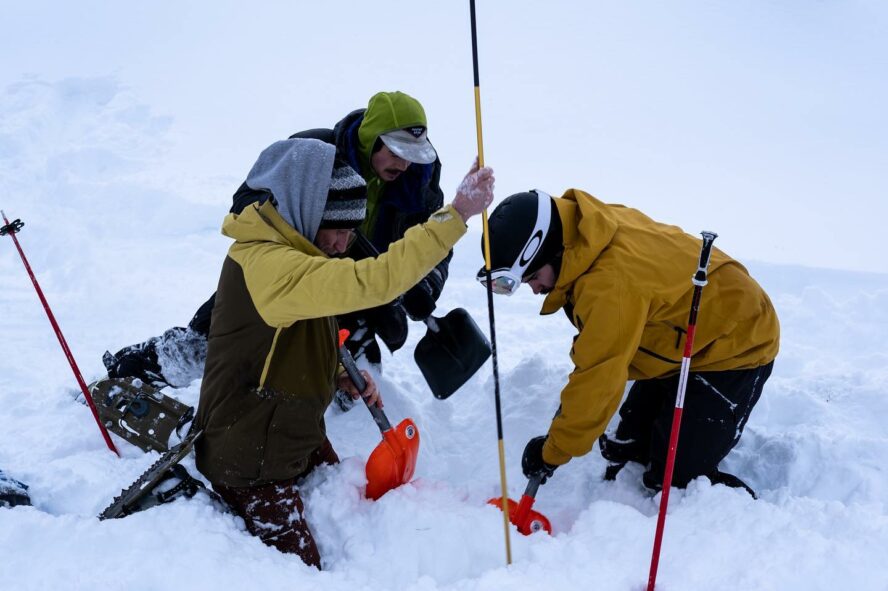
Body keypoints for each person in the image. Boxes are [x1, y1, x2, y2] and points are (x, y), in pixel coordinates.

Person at [195, 137, 494, 569]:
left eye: (352, 230)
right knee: (307, 572)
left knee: (353, 518)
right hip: (250, 461)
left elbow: (294, 333)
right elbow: (376, 281)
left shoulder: (298, 251)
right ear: (306, 208)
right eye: (336, 227)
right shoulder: (271, 265)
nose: (342, 242)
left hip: (292, 436)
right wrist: (457, 215)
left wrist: (334, 370)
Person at [102, 91, 451, 391]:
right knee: (219, 337)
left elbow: (435, 239)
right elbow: (247, 203)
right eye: (395, 151)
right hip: (292, 272)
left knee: (350, 355)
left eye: (412, 154)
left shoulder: (420, 181)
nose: (404, 164)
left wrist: (426, 285)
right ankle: (138, 372)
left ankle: (333, 387)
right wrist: (299, 235)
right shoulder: (314, 153)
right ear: (372, 137)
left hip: (356, 286)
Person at [479, 189, 779, 497]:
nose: (534, 289)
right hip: (677, 330)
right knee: (623, 447)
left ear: (548, 249)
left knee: (674, 483)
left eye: (533, 277)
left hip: (737, 342)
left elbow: (598, 377)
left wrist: (551, 451)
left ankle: (739, 513)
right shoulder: (586, 231)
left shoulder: (609, 285)